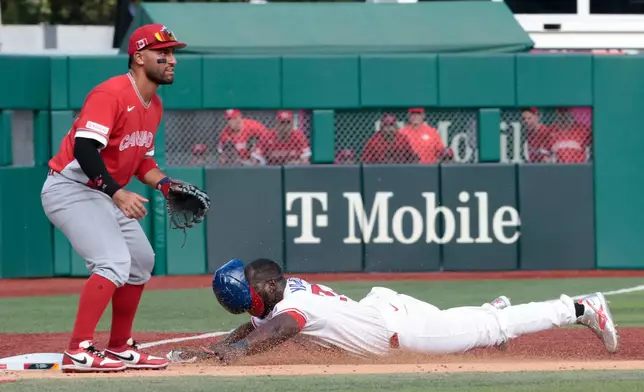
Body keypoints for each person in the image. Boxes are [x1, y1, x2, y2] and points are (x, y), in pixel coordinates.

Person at [41, 24, 189, 373]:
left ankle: (120, 346)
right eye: (162, 53)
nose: (172, 60)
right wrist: (117, 193)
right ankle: (77, 351)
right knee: (112, 263)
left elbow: (142, 162)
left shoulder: (153, 105)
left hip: (102, 192)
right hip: (71, 188)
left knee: (140, 260)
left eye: (172, 53)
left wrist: (166, 185)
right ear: (139, 57)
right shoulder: (111, 94)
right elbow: (84, 148)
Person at [167, 258, 619, 365]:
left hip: (404, 331)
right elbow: (256, 324)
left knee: (495, 328)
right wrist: (213, 349)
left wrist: (231, 354)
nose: (250, 303)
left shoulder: (292, 306)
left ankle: (580, 307)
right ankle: (484, 314)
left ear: (267, 285)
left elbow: (270, 333)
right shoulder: (281, 292)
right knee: (477, 325)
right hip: (385, 309)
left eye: (250, 293)